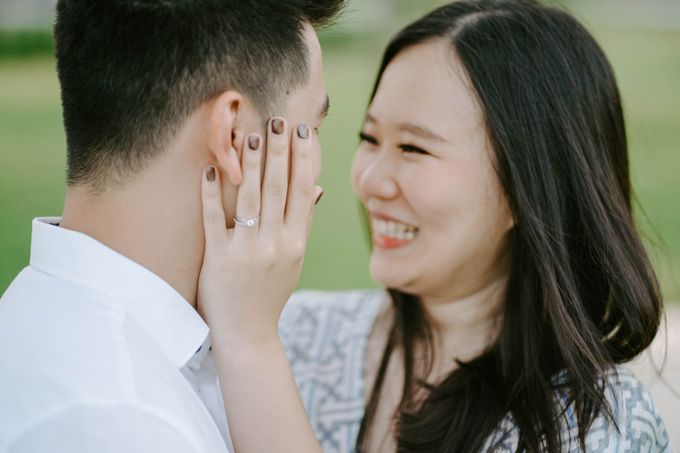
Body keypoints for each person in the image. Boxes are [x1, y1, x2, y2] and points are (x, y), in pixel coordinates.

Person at [216, 0, 671, 451]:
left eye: (413, 149)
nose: (370, 180)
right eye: (369, 138)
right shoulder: (297, 333)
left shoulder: (596, 427)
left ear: (527, 188)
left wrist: (254, 351)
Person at [0, 0, 341, 451]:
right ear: (234, 135)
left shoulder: (54, 321)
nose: (316, 167)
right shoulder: (118, 422)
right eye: (310, 127)